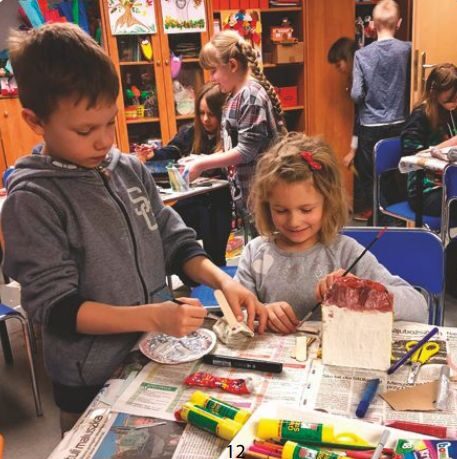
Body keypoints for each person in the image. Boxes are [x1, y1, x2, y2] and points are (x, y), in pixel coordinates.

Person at [3, 23, 266, 432]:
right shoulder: (32, 200)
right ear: (35, 121)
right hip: (90, 380)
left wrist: (220, 281)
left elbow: (173, 239)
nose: (104, 141)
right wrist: (154, 316)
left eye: (110, 122)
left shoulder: (126, 169)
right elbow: (57, 309)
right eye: (85, 130)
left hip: (152, 355)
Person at [235, 132, 428, 334]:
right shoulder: (255, 253)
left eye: (306, 210)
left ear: (328, 203)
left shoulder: (345, 252)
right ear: (267, 207)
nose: (294, 221)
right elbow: (236, 314)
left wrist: (364, 292)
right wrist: (260, 313)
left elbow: (419, 307)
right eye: (281, 210)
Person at [184, 30, 287, 224]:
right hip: (248, 198)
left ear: (232, 65)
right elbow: (233, 143)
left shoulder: (251, 95)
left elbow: (246, 151)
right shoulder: (233, 96)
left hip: (263, 196)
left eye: (213, 71)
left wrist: (202, 164)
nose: (212, 78)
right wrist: (202, 157)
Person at [145, 82, 233, 266]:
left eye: (211, 114)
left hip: (220, 202)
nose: (205, 119)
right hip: (194, 201)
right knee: (172, 220)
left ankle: (215, 266)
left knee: (213, 216)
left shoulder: (230, 135)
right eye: (201, 113)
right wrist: (153, 154)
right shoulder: (190, 132)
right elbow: (172, 151)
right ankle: (186, 265)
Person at [351, 0, 411, 224]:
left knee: (374, 179)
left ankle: (379, 221)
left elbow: (357, 94)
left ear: (372, 26)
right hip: (400, 122)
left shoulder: (362, 55)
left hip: (370, 126)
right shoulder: (408, 49)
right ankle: (399, 222)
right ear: (400, 23)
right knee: (399, 175)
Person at [401, 63, 457, 216]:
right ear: (434, 92)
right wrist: (450, 143)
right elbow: (410, 157)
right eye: (450, 98)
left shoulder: (452, 110)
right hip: (424, 191)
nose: (455, 103)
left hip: (450, 183)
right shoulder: (420, 115)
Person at [327, 37, 368, 221]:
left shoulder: (363, 76)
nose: (338, 70)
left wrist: (353, 149)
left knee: (364, 169)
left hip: (370, 130)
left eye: (338, 64)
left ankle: (368, 208)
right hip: (364, 130)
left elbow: (360, 118)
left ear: (348, 58)